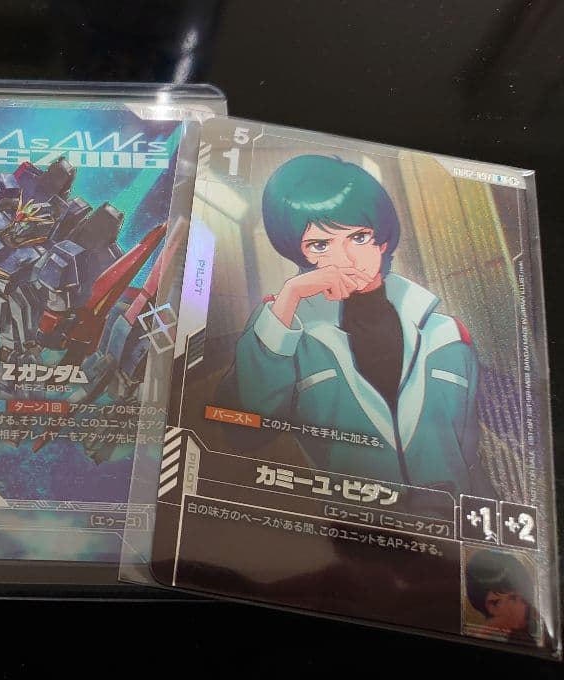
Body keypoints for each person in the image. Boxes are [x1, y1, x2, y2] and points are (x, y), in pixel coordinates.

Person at [219, 154, 493, 496]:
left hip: (451, 516)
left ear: (382, 241)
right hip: (352, 516)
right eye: (320, 244)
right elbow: (245, 432)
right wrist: (289, 297)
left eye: (359, 237)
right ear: (301, 255)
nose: (346, 259)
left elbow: (469, 456)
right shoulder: (290, 336)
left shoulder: (447, 334)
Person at [465, 550, 537, 643]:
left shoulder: (537, 632)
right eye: (495, 603)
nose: (526, 605)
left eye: (514, 598)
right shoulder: (477, 636)